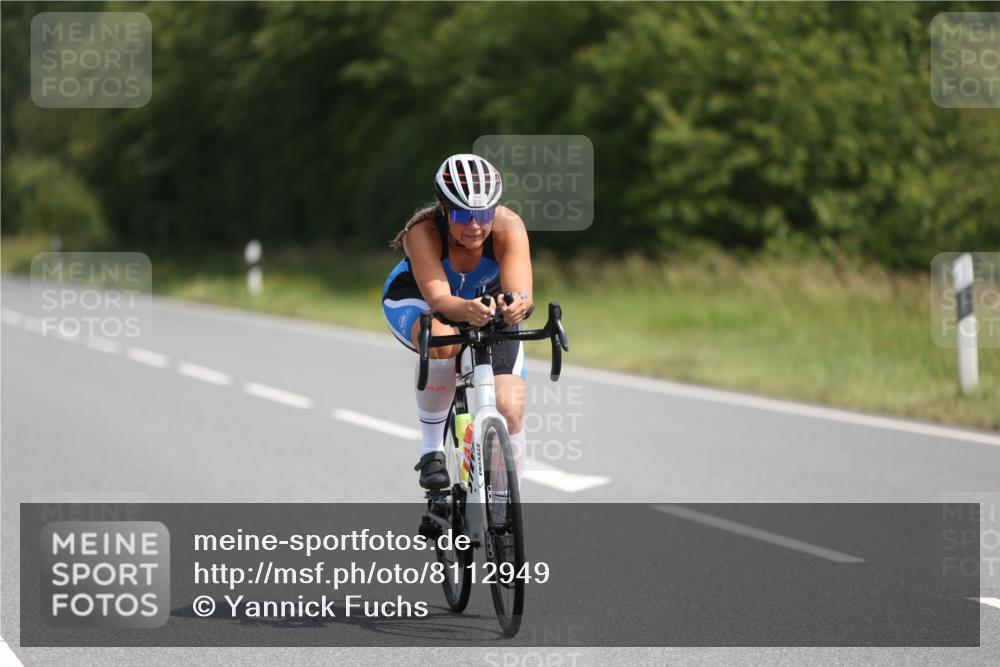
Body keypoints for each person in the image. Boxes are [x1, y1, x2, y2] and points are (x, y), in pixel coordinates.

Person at [382, 154, 533, 490]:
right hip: (420, 298)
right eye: (463, 215)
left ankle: (508, 500)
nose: (475, 225)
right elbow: (439, 301)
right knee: (443, 342)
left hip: (485, 302)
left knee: (509, 409)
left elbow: (522, 293)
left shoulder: (510, 226)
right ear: (444, 209)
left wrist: (515, 307)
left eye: (483, 213)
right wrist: (466, 310)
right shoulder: (423, 232)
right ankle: (432, 449)